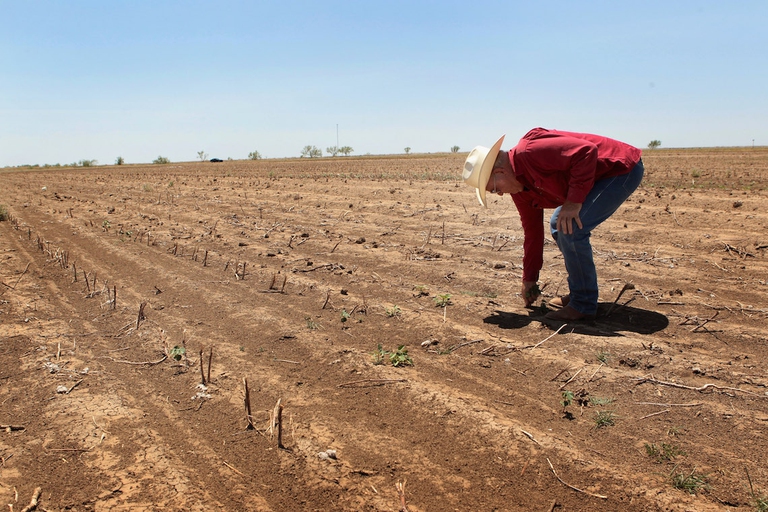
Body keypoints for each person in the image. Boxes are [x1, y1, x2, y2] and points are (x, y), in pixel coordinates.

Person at [462, 127, 644, 321]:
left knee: (570, 227)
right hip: (596, 178)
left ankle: (583, 303)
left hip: (619, 170)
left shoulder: (530, 152)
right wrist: (529, 278)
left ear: (500, 172)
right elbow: (533, 234)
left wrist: (574, 201)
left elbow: (586, 151)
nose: (498, 194)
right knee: (561, 225)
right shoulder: (520, 191)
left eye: (494, 188)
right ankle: (579, 295)